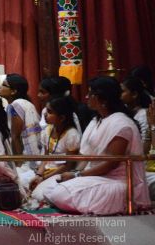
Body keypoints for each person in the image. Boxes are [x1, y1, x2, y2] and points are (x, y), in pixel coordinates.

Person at [45, 76, 151, 215]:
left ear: (103, 99)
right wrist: (73, 173)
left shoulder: (121, 124)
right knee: (49, 187)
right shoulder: (96, 121)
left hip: (117, 181)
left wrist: (77, 175)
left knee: (59, 193)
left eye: (90, 93)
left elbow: (111, 164)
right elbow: (84, 157)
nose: (86, 97)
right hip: (94, 176)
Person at [27, 96, 82, 208]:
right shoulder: (47, 130)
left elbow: (69, 166)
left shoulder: (71, 135)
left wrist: (43, 178)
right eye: (46, 110)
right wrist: (38, 175)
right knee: (21, 182)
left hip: (60, 174)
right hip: (44, 172)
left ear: (61, 118)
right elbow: (45, 157)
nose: (45, 114)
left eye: (50, 112)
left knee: (39, 194)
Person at [121, 77, 151, 155]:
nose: (119, 95)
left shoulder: (143, 114)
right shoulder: (124, 112)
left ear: (134, 94)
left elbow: (144, 144)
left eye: (122, 91)